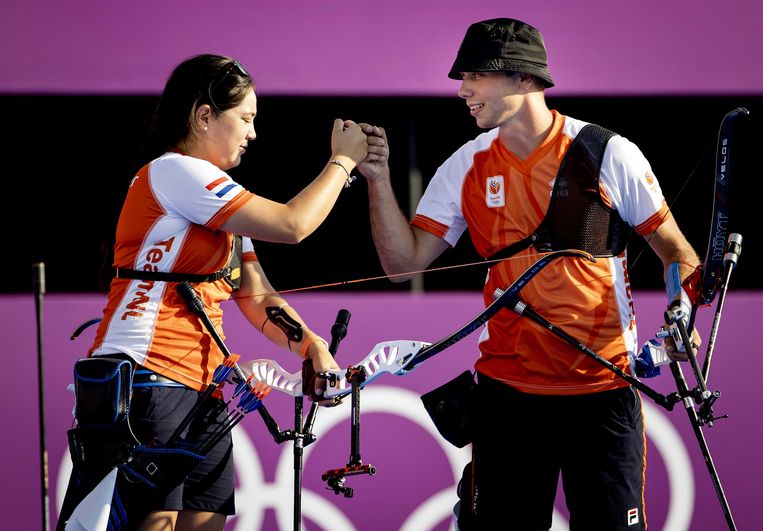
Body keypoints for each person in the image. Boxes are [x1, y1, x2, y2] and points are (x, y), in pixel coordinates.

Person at [357, 18, 701, 531]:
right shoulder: (465, 166)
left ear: (524, 78)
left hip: (601, 389)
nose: (462, 89)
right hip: (507, 398)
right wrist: (378, 179)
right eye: (463, 77)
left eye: (475, 75)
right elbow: (402, 265)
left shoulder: (605, 151)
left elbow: (677, 251)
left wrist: (681, 310)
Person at [57, 53, 368, 530]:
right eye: (245, 118)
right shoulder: (175, 172)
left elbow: (255, 296)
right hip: (150, 378)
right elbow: (293, 224)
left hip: (204, 389)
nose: (253, 133)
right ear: (204, 116)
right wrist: (343, 161)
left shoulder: (213, 192)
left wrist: (312, 346)